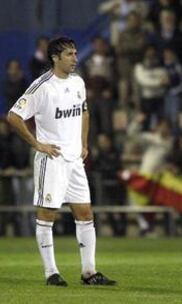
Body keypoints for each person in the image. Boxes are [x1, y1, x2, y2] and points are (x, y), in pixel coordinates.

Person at [7, 37, 116, 286]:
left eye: (76, 53)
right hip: (52, 159)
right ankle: (51, 273)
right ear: (55, 58)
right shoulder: (42, 86)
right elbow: (13, 116)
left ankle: (89, 272)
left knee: (85, 213)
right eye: (69, 54)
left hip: (74, 159)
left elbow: (84, 112)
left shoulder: (78, 82)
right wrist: (37, 145)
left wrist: (84, 144)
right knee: (47, 215)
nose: (75, 58)